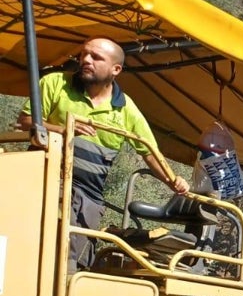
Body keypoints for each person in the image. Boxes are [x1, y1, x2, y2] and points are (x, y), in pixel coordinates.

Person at [18, 37, 189, 271]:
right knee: (32, 249)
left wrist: (174, 181)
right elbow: (27, 120)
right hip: (44, 183)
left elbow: (149, 152)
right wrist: (63, 130)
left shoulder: (125, 109)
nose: (86, 60)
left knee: (72, 263)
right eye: (83, 54)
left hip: (89, 197)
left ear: (115, 69)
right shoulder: (55, 83)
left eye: (96, 57)